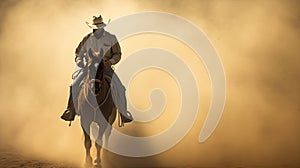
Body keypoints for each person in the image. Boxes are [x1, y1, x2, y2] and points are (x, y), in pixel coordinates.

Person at [61, 15, 133, 125]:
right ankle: (70, 110)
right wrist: (80, 61)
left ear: (103, 27)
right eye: (95, 27)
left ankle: (123, 113)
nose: (97, 29)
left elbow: (117, 54)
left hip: (105, 68)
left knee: (120, 87)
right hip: (89, 68)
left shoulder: (111, 38)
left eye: (99, 27)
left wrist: (110, 62)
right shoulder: (87, 39)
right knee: (74, 85)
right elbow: (78, 53)